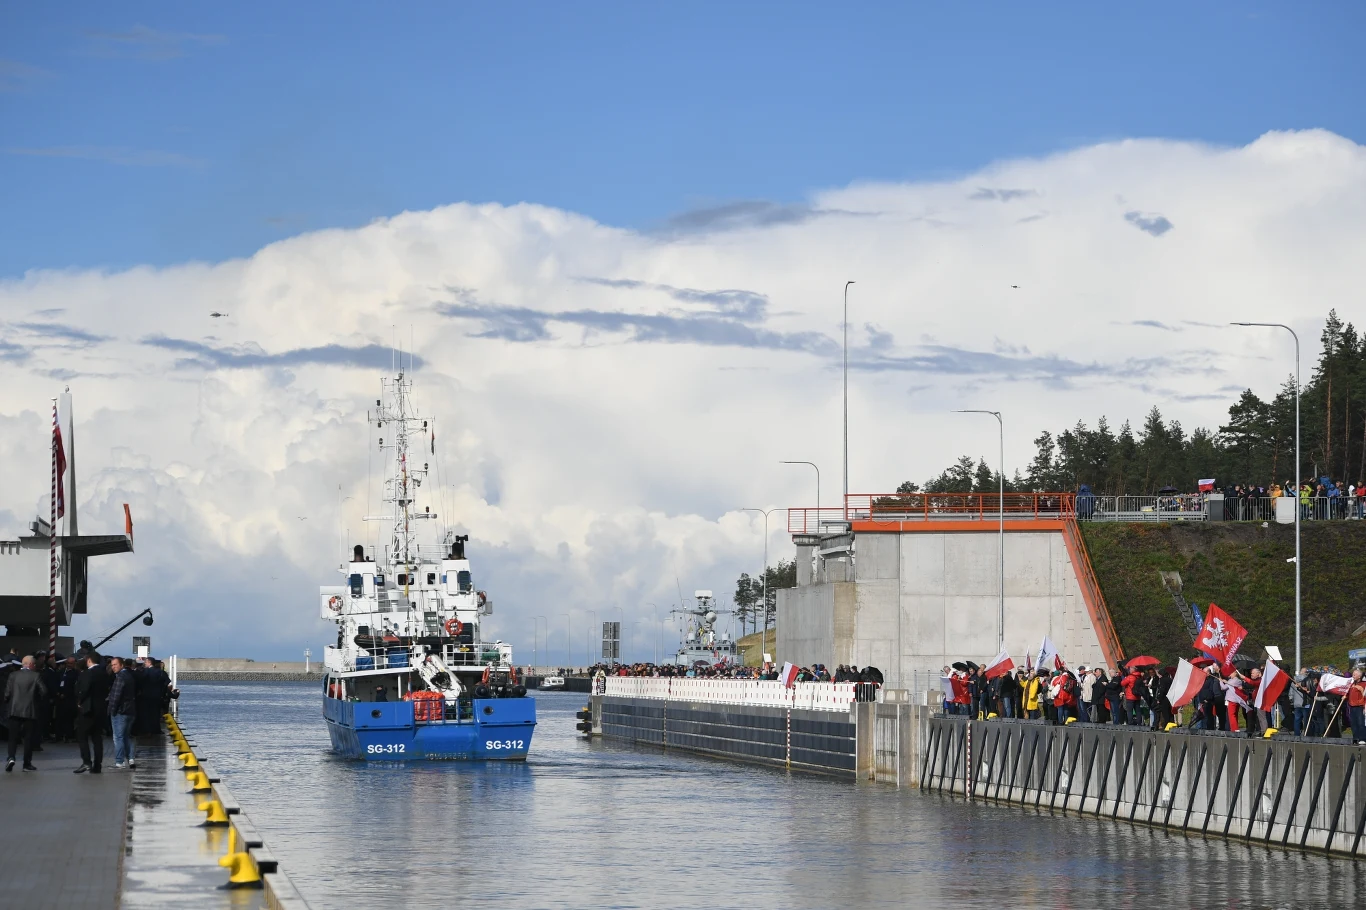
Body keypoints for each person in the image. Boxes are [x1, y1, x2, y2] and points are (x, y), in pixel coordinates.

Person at [5, 655, 48, 771]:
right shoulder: (36, 676)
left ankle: (11, 757)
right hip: (30, 711)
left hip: (14, 710)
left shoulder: (13, 675)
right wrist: (36, 701)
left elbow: (7, 694)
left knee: (12, 737)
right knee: (28, 738)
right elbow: (44, 691)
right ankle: (26, 763)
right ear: (31, 665)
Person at [73, 652, 109, 773]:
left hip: (88, 709)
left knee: (82, 735)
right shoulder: (104, 673)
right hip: (100, 709)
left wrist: (80, 700)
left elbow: (84, 689)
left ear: (88, 660)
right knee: (97, 737)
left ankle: (86, 761)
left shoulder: (87, 673)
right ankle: (97, 765)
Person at [106, 656, 137, 769]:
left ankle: (119, 761)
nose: (113, 667)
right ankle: (131, 758)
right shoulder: (129, 676)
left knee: (118, 737)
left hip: (121, 711)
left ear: (121, 665)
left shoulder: (120, 677)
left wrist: (111, 710)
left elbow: (115, 696)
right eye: (112, 665)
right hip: (130, 710)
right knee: (126, 736)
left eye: (115, 665)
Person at [1347, 669, 1366, 746]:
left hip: (1360, 706)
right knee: (1353, 723)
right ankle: (1355, 738)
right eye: (1353, 674)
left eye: (1355, 674)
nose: (1353, 676)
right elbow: (1348, 693)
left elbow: (1365, 695)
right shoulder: (1351, 684)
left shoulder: (1364, 684)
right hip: (1352, 706)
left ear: (1359, 676)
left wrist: (1361, 690)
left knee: (1360, 723)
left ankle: (1362, 738)